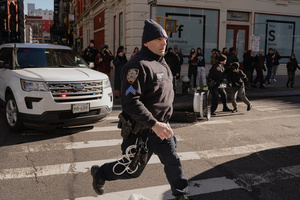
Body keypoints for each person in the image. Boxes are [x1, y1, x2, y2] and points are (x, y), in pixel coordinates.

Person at [90, 19, 189, 200]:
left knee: (173, 161)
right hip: (142, 130)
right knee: (132, 170)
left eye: (165, 39)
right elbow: (130, 101)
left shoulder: (162, 62)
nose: (164, 42)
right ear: (146, 42)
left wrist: (164, 122)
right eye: (159, 39)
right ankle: (100, 174)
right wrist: (154, 124)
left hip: (161, 128)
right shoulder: (137, 65)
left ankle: (181, 195)